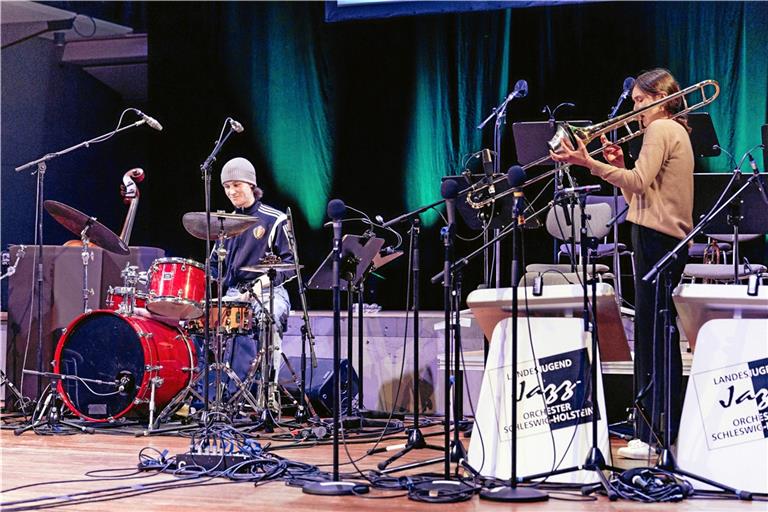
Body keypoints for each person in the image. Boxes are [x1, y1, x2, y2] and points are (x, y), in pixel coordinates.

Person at [550, 68, 693, 459]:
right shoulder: (674, 131)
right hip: (659, 234)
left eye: (640, 103)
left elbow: (638, 181)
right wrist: (616, 167)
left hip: (657, 239)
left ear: (657, 98)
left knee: (653, 333)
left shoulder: (661, 130)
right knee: (653, 331)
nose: (636, 111)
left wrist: (588, 163)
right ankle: (654, 426)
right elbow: (638, 195)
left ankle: (655, 431)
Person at [205, 156, 294, 413]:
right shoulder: (226, 224)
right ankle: (222, 395)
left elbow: (290, 265)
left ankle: (268, 392)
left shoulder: (274, 219)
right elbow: (214, 267)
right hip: (234, 292)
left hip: (269, 289)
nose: (232, 192)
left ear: (251, 185)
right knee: (202, 320)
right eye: (227, 187)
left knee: (271, 316)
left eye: (237, 185)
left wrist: (262, 284)